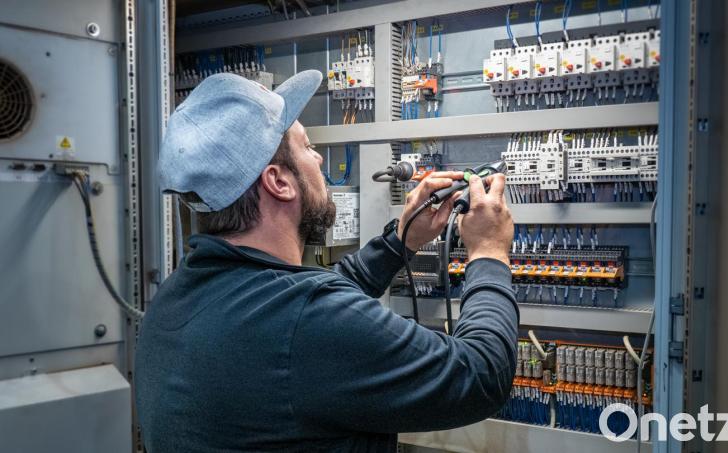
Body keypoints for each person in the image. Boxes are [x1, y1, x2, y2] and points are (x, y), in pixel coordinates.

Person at [135, 70, 518, 452]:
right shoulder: (306, 321)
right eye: (307, 146)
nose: (318, 158)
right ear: (278, 182)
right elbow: (483, 374)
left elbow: (309, 305)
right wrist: (488, 252)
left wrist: (401, 240)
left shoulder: (174, 299)